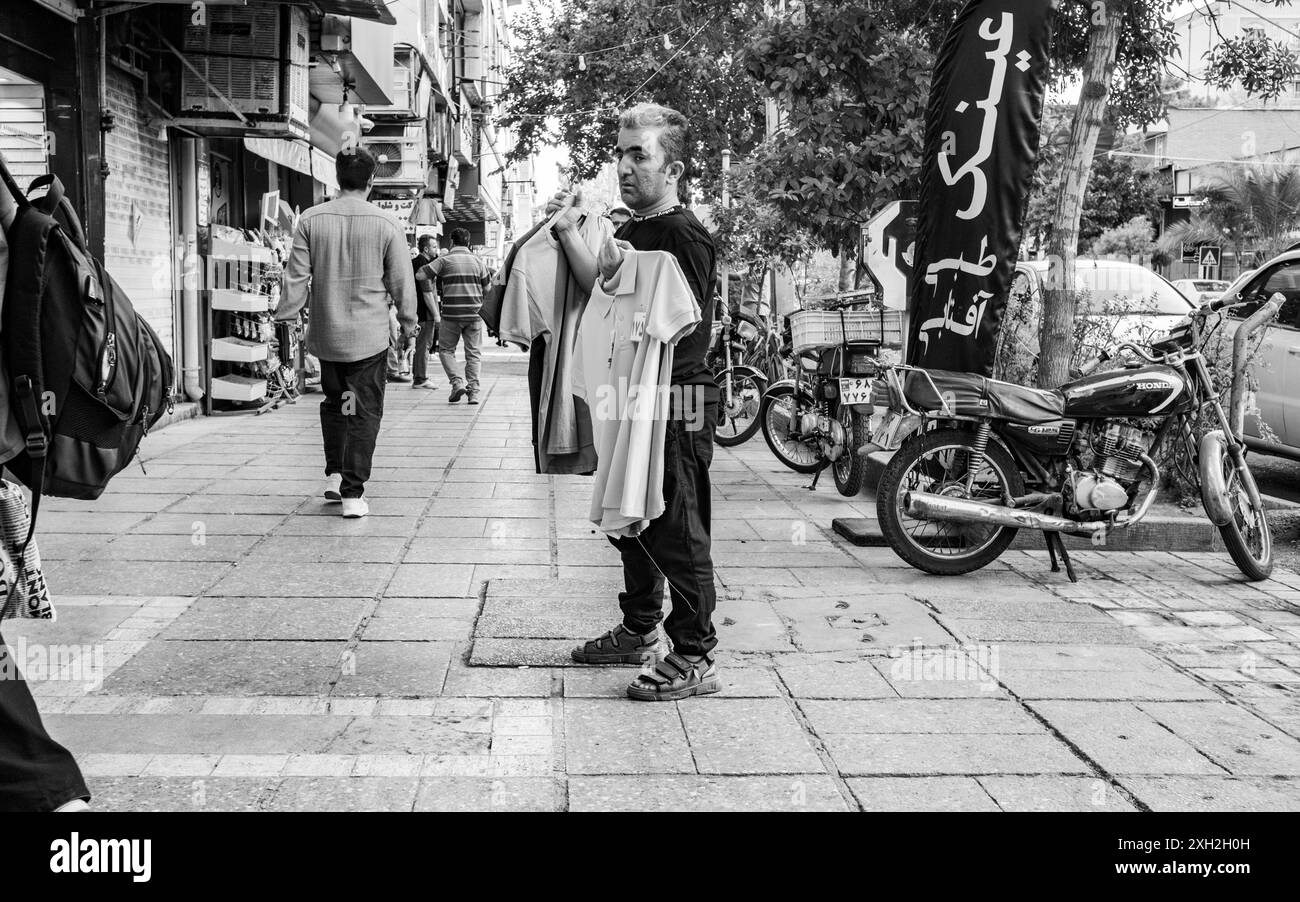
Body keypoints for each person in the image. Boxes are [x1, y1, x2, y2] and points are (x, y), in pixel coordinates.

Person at [549, 103, 721, 701]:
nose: (623, 166)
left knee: (677, 526)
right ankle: (638, 626)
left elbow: (687, 334)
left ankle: (695, 653)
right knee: (631, 518)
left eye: (638, 154)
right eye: (620, 153)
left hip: (678, 401)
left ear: (672, 167)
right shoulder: (632, 229)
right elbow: (598, 283)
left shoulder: (682, 235)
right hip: (630, 396)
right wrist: (571, 231)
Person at [276, 146, 417, 519]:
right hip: (368, 339)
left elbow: (296, 276)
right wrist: (408, 324)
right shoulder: (387, 225)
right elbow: (402, 282)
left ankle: (336, 475)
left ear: (338, 178)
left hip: (327, 335)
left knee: (338, 404)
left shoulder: (310, 220)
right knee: (363, 411)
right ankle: (353, 493)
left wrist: (286, 317)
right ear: (371, 181)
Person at [418, 228, 490, 404]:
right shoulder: (478, 262)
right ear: (468, 242)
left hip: (451, 315)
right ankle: (473, 392)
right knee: (473, 354)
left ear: (451, 242)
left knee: (446, 350)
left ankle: (457, 383)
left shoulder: (444, 260)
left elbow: (420, 275)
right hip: (474, 314)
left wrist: (435, 271)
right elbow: (488, 289)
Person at [411, 236, 440, 390]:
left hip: (417, 309)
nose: (437, 249)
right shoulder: (424, 265)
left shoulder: (414, 262)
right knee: (424, 345)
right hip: (426, 311)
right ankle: (420, 378)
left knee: (420, 344)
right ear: (426, 249)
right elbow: (427, 292)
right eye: (434, 246)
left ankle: (418, 375)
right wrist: (436, 314)